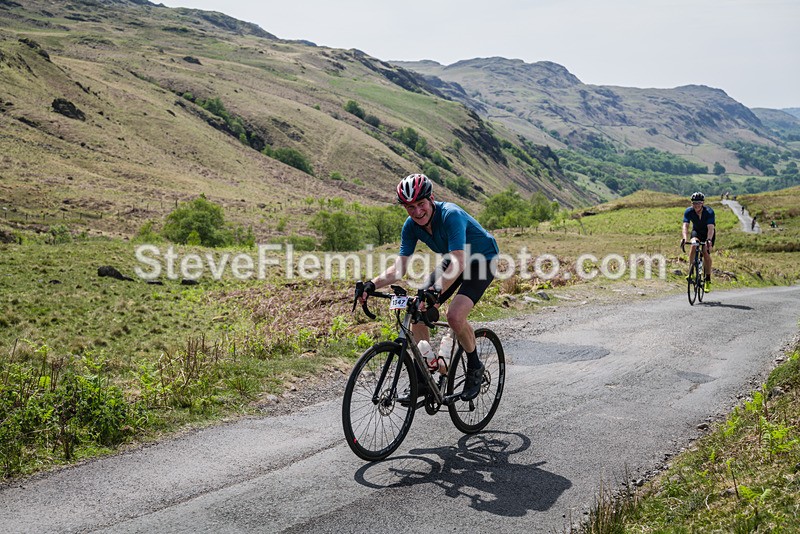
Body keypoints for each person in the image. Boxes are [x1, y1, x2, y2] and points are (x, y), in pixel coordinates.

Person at [357, 173, 499, 401]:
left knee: (454, 316)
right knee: (417, 310)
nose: (417, 212)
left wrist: (435, 291)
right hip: (454, 259)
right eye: (409, 207)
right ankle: (425, 377)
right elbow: (398, 269)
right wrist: (371, 284)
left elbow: (459, 262)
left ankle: (475, 367)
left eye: (420, 204)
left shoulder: (450, 215)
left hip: (481, 261)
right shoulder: (411, 226)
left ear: (431, 199)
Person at [681, 192, 715, 292]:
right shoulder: (689, 211)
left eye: (699, 203)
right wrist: (684, 238)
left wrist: (709, 240)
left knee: (705, 252)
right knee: (693, 245)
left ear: (703, 203)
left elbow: (711, 228)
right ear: (692, 203)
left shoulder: (709, 212)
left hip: (708, 234)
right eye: (694, 203)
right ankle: (691, 272)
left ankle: (708, 279)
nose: (697, 205)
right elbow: (685, 226)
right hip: (696, 232)